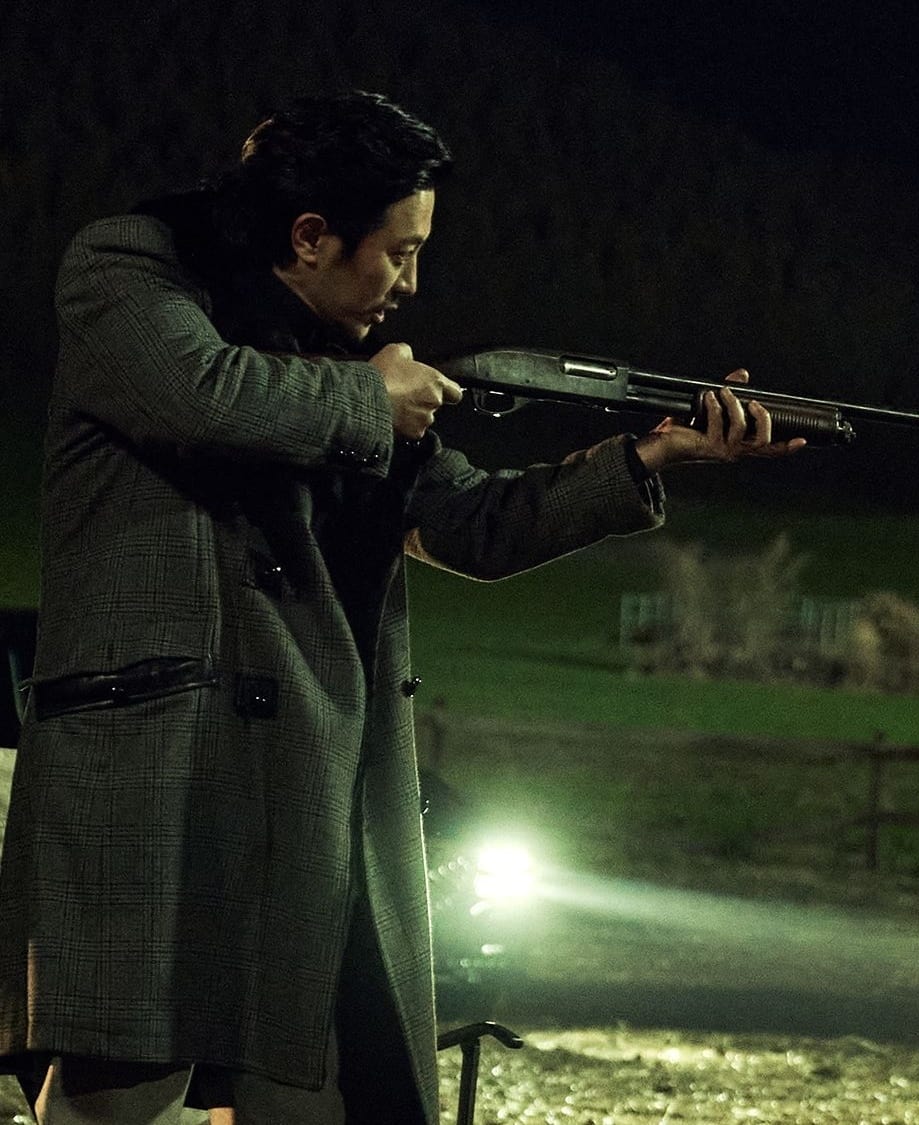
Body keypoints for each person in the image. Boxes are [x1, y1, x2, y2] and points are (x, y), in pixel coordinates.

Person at [0, 90, 802, 1124]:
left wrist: (650, 456)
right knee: (118, 1094)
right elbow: (201, 391)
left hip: (311, 789)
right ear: (310, 235)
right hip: (156, 770)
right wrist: (369, 400)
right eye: (400, 253)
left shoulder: (347, 364)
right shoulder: (131, 267)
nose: (412, 284)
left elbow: (473, 524)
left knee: (321, 1093)